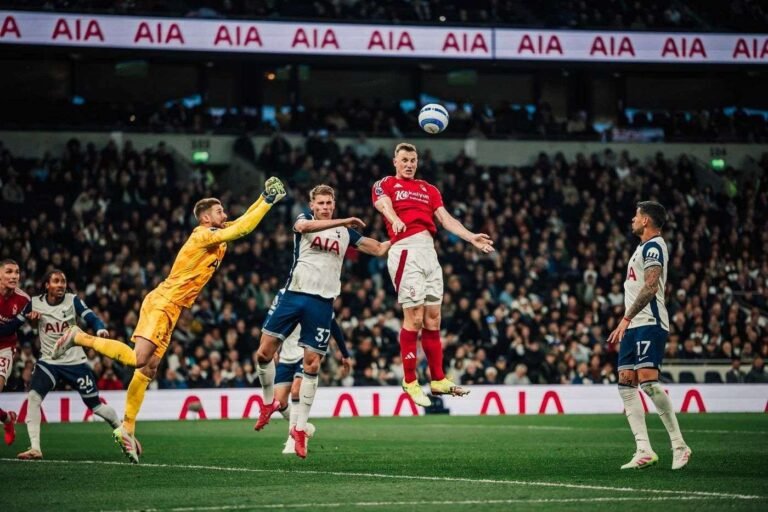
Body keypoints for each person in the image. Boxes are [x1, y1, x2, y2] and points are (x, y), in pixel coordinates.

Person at [53, 177, 287, 463]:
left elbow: (242, 221)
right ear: (205, 218)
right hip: (163, 302)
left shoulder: (218, 233)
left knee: (148, 369)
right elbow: (243, 228)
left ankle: (127, 428)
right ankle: (79, 336)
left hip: (172, 308)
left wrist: (262, 196)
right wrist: (268, 201)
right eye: (220, 211)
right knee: (139, 359)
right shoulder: (202, 235)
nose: (225, 215)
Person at [253, 184, 389, 459]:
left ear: (333, 204)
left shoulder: (345, 233)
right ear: (312, 205)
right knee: (263, 353)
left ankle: (299, 429)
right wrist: (345, 221)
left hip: (322, 302)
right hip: (294, 294)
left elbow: (376, 249)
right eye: (321, 203)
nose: (325, 207)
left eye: (329, 203)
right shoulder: (304, 221)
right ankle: (268, 404)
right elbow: (303, 228)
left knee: (312, 365)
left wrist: (403, 235)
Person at [371, 142, 494, 406]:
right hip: (405, 250)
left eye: (413, 160)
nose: (409, 164)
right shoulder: (386, 183)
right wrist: (394, 219)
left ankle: (437, 379)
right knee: (414, 318)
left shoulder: (429, 189)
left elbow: (446, 219)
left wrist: (470, 237)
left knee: (433, 318)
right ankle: (410, 381)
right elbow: (383, 204)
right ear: (395, 161)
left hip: (429, 252)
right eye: (404, 160)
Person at [607, 201, 691, 470]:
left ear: (646, 220)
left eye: (636, 215)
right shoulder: (642, 247)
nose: (633, 219)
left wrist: (626, 317)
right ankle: (643, 449)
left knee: (648, 382)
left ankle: (679, 445)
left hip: (649, 322)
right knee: (625, 384)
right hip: (633, 326)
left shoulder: (654, 246)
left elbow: (651, 286)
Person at [18, 269, 122, 460]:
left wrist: (100, 329)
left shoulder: (72, 300)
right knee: (33, 397)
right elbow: (16, 325)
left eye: (63, 281)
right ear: (47, 285)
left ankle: (123, 431)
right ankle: (35, 448)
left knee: (96, 407)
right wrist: (31, 323)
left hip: (75, 362)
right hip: (49, 361)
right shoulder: (34, 303)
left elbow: (91, 317)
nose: (61, 285)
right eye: (56, 281)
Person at [273, 314, 351, 455]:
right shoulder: (284, 301)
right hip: (286, 356)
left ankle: (293, 438)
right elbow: (276, 324)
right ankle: (304, 427)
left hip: (305, 353)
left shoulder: (320, 301)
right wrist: (273, 347)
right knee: (279, 402)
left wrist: (345, 354)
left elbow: (333, 324)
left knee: (296, 390)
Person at [0, 259, 31, 446]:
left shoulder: (24, 300)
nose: (14, 276)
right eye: (9, 272)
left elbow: (7, 331)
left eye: (17, 272)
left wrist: (34, 318)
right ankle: (7, 419)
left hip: (4, 348)